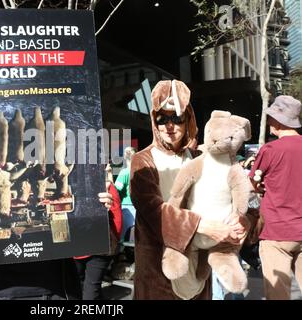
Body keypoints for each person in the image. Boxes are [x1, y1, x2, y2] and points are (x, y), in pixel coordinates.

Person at [129, 79, 248, 300]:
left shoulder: (200, 159)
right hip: (158, 272)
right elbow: (154, 211)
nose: (169, 125)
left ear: (188, 119)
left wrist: (241, 221)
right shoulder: (142, 161)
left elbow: (227, 195)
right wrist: (202, 226)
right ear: (155, 122)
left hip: (198, 274)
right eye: (162, 118)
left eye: (176, 117)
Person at [248, 95, 302, 300]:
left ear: (279, 121)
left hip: (276, 231)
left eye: (271, 117)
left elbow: (251, 184)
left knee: (278, 295)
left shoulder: (270, 149)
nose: (269, 121)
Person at [73, 165, 123, 300]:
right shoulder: (107, 186)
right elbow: (118, 220)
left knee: (87, 289)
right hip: (95, 246)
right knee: (91, 288)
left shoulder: (106, 187)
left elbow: (117, 217)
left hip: (92, 248)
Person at [114, 147, 136, 242]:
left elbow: (116, 191)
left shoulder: (124, 173)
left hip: (127, 209)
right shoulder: (141, 171)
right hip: (137, 208)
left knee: (123, 238)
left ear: (124, 157)